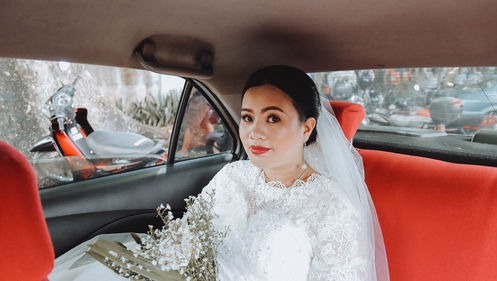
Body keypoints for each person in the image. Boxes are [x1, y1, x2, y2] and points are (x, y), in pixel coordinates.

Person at [49, 65, 390, 281]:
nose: (254, 132)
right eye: (247, 117)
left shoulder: (332, 207)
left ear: (306, 128)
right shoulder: (234, 176)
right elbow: (183, 239)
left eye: (273, 118)